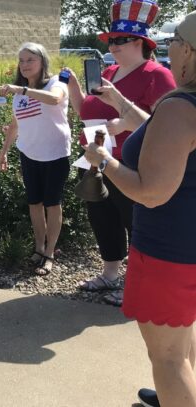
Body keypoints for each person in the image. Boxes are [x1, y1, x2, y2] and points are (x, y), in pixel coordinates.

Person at [82, 11, 196, 407]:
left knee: (167, 358)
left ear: (190, 52)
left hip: (168, 251)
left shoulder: (182, 106)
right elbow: (162, 134)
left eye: (174, 43)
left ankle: (177, 395)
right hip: (187, 246)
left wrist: (102, 161)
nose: (169, 50)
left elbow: (151, 192)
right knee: (183, 342)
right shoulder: (185, 107)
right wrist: (119, 100)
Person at [66, 0, 175, 306]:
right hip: (95, 158)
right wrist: (75, 88)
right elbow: (86, 112)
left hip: (132, 164)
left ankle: (138, 283)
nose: (112, 46)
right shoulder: (109, 72)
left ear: (140, 42)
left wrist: (127, 118)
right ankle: (111, 273)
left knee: (135, 222)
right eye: (110, 40)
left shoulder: (157, 75)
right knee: (102, 217)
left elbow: (168, 126)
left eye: (119, 41)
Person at [0, 42, 71, 276]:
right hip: (29, 154)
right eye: (21, 60)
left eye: (30, 59)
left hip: (55, 155)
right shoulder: (20, 94)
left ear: (42, 62)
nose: (25, 65)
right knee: (34, 204)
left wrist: (21, 90)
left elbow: (54, 99)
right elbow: (15, 124)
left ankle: (50, 252)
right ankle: (39, 247)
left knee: (52, 204)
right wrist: (4, 150)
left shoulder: (55, 83)